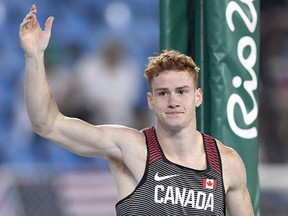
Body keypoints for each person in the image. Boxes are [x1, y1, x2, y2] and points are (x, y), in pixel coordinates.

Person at [19, 5, 254, 216]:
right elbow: (47, 123)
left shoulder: (227, 163)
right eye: (163, 93)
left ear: (198, 97)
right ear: (151, 101)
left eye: (182, 91)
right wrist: (34, 56)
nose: (173, 101)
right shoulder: (131, 148)